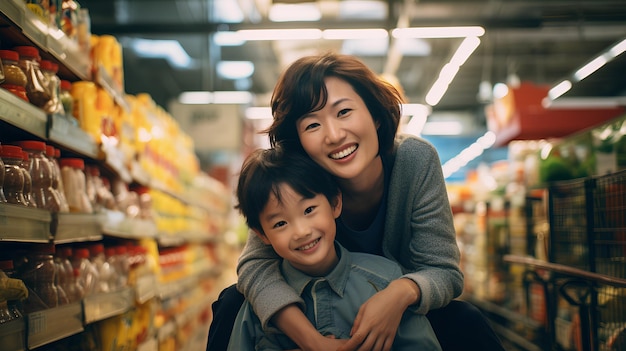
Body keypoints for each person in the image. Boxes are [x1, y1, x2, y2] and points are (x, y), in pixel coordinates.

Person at [207, 52, 505, 351]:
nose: (334, 135)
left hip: (401, 314)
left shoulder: (414, 161)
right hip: (310, 306)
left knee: (466, 320)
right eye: (312, 125)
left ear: (375, 115)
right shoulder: (297, 184)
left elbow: (444, 271)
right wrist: (312, 342)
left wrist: (397, 295)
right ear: (298, 142)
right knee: (231, 303)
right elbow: (254, 267)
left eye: (344, 112)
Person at [227, 145, 442, 351]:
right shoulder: (260, 305)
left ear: (335, 203)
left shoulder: (385, 280)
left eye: (309, 209)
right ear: (262, 235)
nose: (301, 231)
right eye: (280, 224)